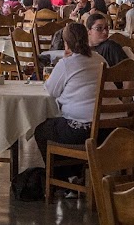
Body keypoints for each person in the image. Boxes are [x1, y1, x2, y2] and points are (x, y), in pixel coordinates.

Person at [34, 23, 104, 166]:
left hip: (84, 130)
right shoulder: (100, 59)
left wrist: (65, 61)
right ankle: (77, 174)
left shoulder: (66, 64)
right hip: (110, 128)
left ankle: (62, 179)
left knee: (42, 130)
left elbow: (52, 91)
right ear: (87, 38)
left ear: (66, 43)